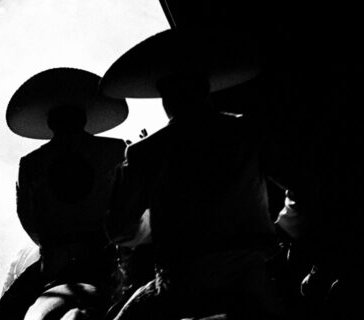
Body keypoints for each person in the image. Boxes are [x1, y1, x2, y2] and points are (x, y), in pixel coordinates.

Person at [102, 28, 283, 320]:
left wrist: (155, 225)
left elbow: (120, 229)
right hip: (249, 272)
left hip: (182, 282)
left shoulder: (143, 151)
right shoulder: (247, 130)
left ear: (166, 99)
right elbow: (300, 186)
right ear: (205, 89)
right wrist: (285, 227)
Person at [0, 67, 128, 320]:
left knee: (2, 313)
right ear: (84, 118)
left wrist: (52, 244)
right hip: (108, 259)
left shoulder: (31, 162)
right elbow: (129, 205)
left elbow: (27, 218)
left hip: (55, 262)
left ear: (50, 123)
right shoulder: (115, 149)